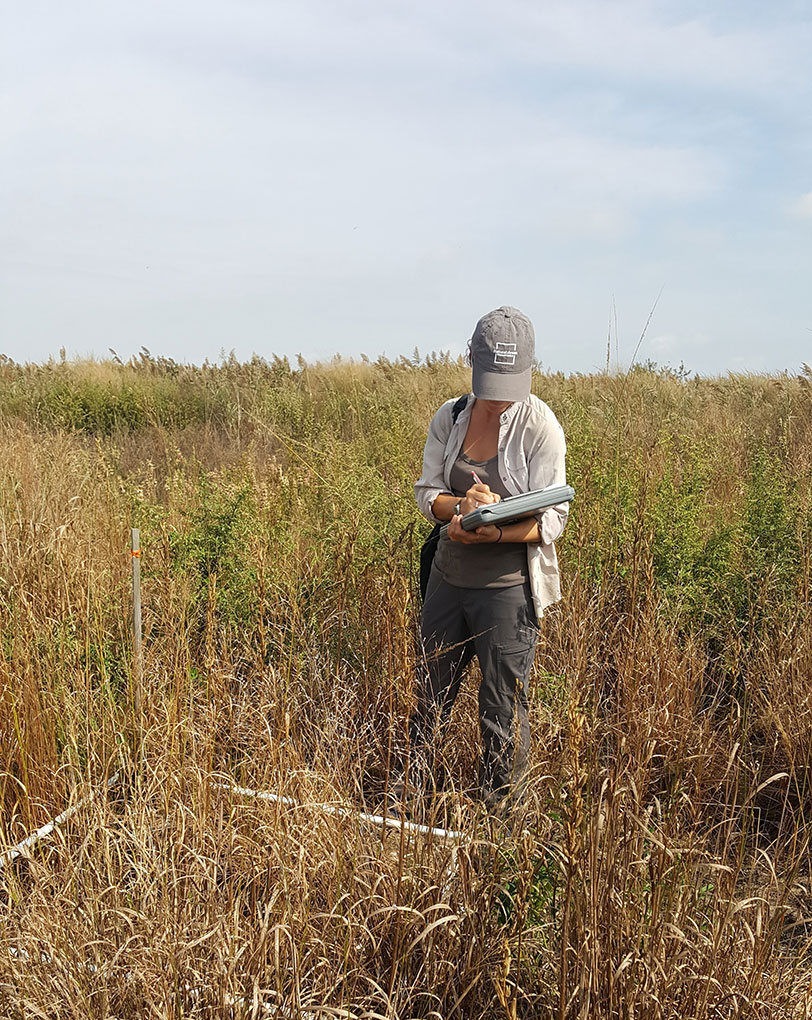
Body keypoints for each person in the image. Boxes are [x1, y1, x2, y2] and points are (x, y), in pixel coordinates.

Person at [407, 306, 568, 813]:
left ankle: (501, 824)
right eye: (491, 381)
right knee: (430, 695)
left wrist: (496, 529)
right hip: (447, 579)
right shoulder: (450, 415)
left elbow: (553, 518)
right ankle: (413, 804)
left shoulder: (541, 426)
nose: (499, 396)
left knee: (502, 709)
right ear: (471, 364)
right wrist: (460, 510)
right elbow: (426, 491)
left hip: (507, 590)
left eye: (510, 382)